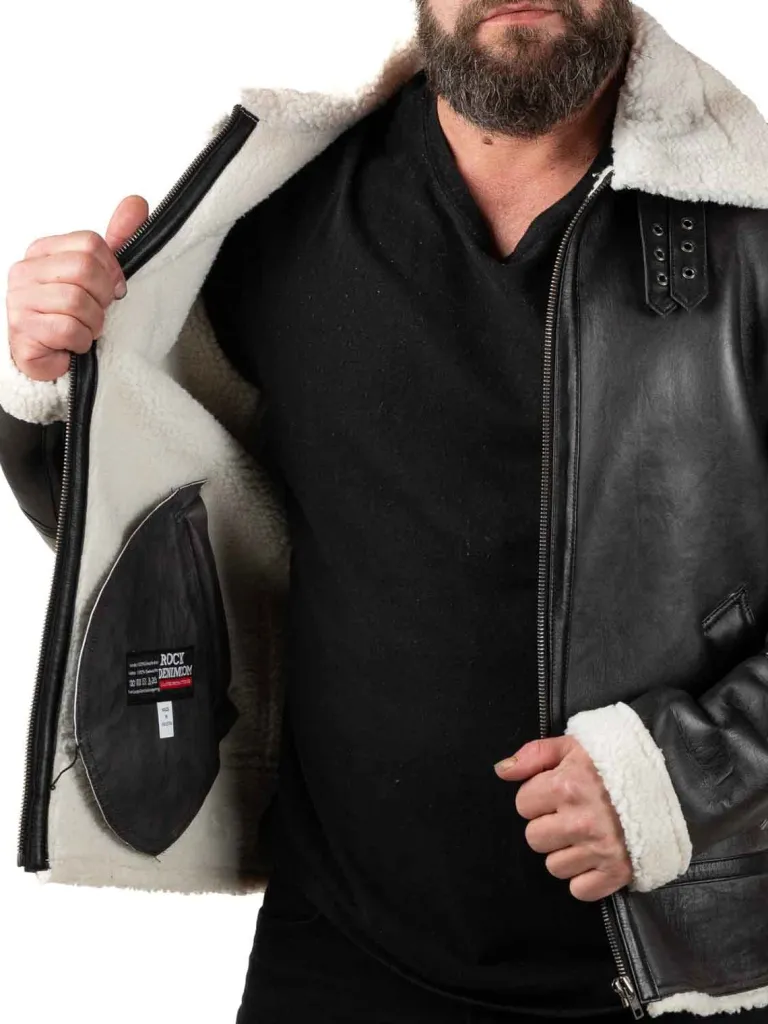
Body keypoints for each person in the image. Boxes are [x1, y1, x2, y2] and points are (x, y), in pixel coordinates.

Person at [3, 1, 768, 1021]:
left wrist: (678, 778)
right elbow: (151, 540)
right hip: (335, 958)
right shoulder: (282, 205)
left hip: (680, 979)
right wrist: (54, 372)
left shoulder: (750, 226)